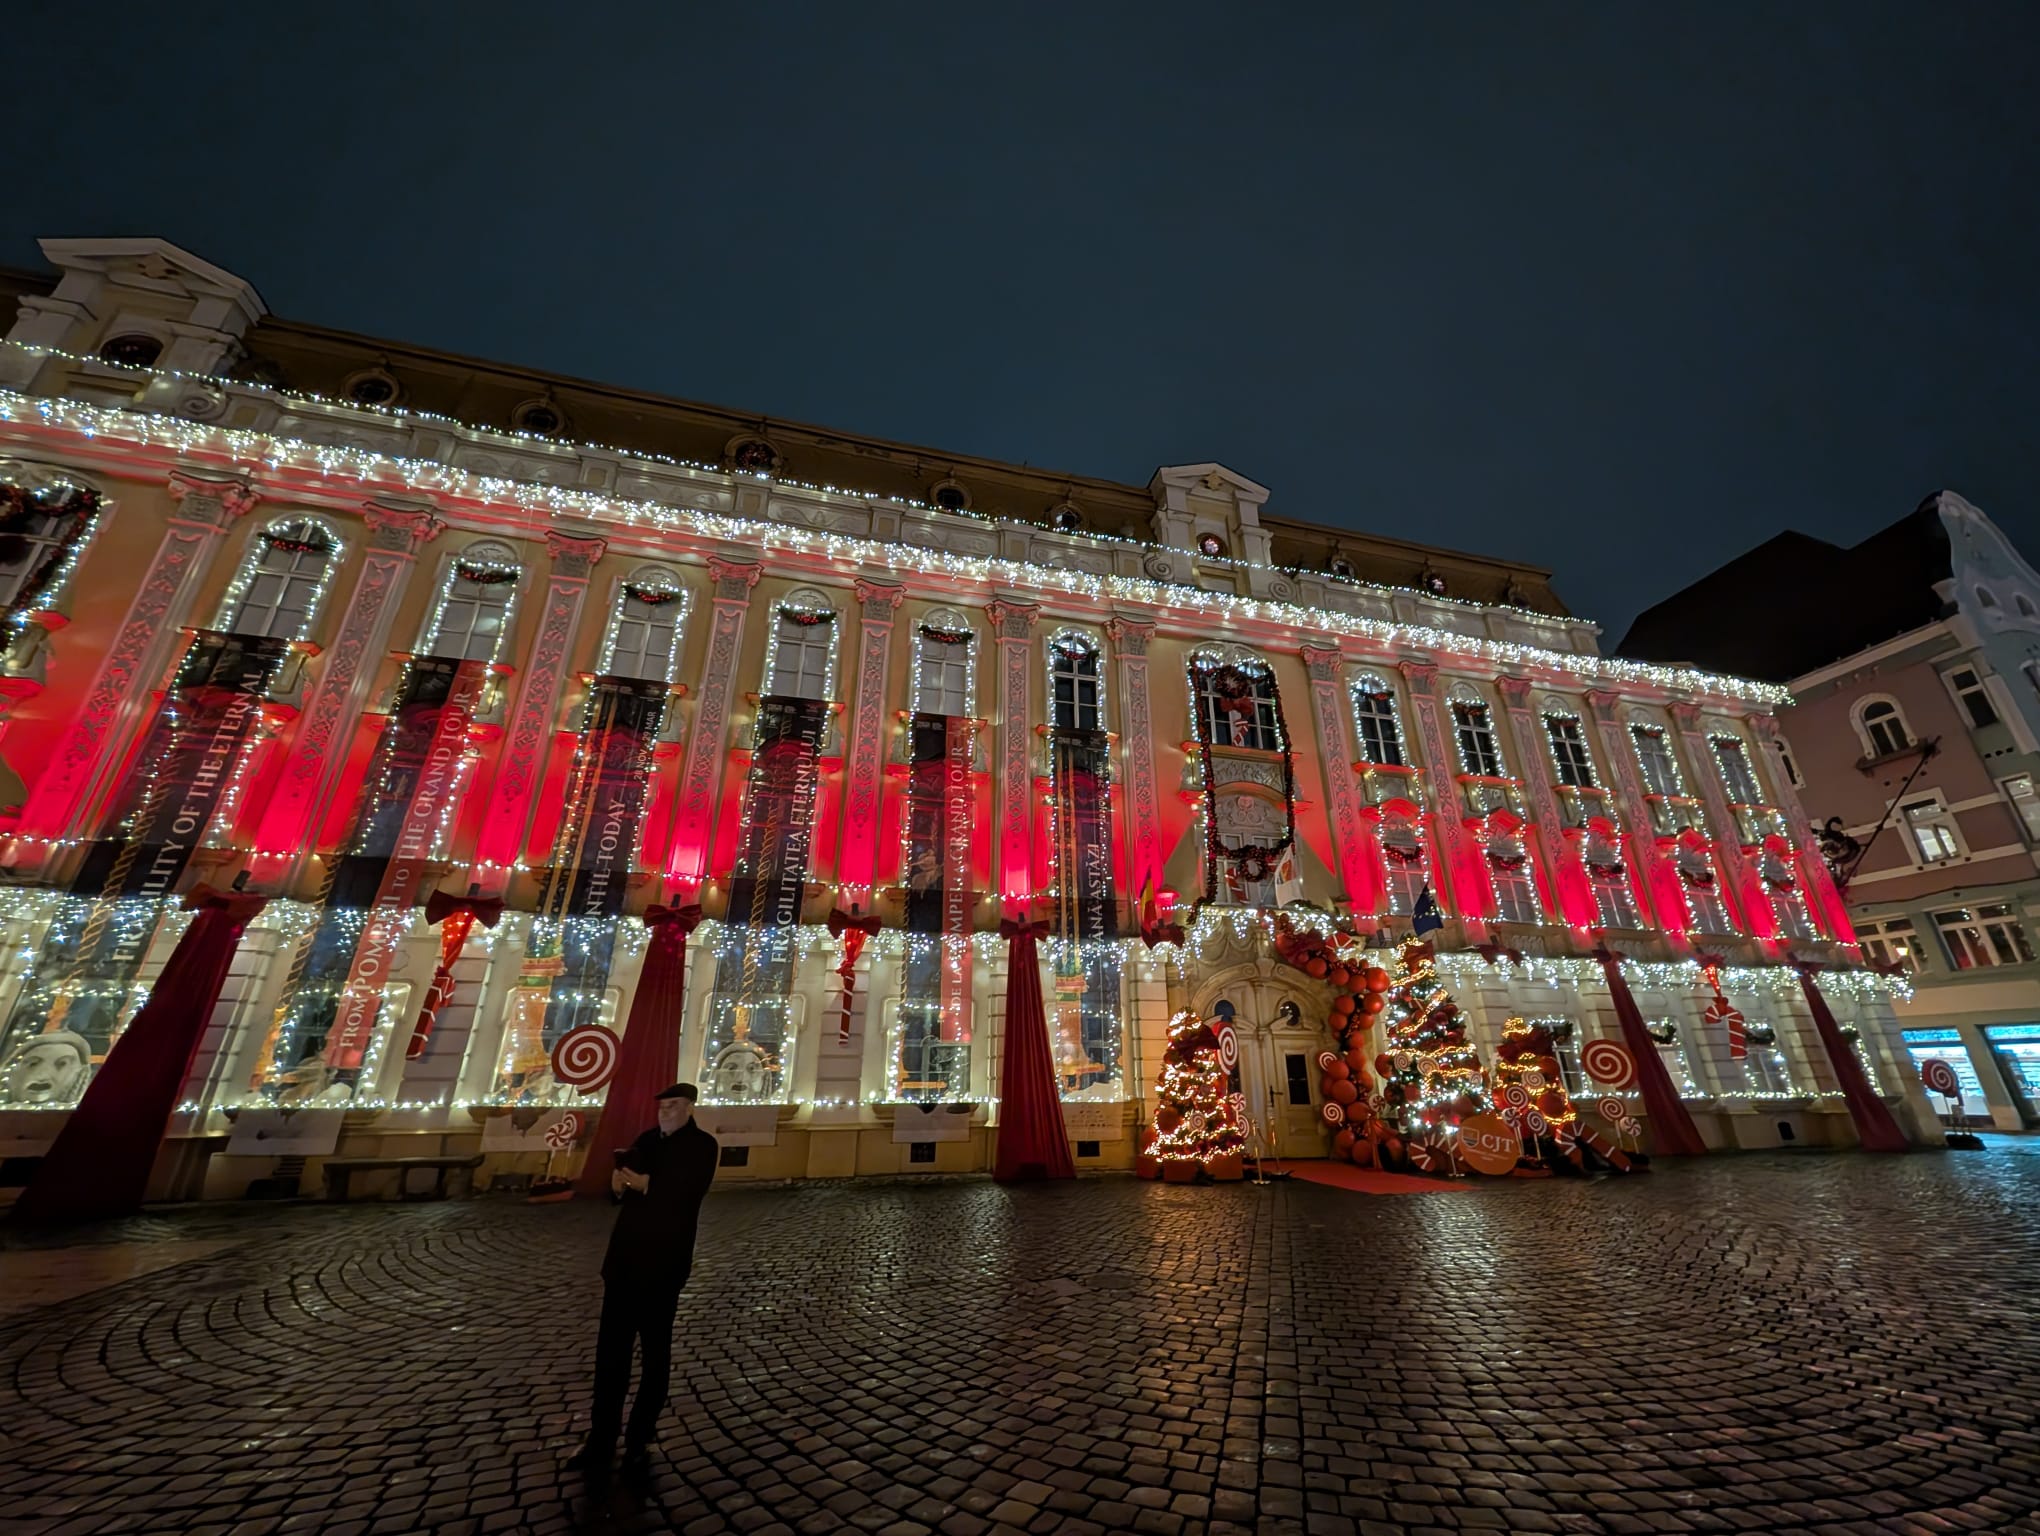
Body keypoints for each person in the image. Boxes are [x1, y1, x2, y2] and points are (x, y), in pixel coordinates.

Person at [569, 1081, 718, 1477]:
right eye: (662, 1106)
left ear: (689, 1107)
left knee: (655, 1354)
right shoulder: (646, 1139)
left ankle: (639, 1437)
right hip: (623, 1263)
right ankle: (601, 1437)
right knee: (610, 1355)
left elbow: (689, 1194)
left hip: (664, 1264)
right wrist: (617, 1187)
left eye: (673, 1106)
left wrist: (647, 1185)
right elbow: (623, 1182)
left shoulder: (703, 1146)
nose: (665, 1112)